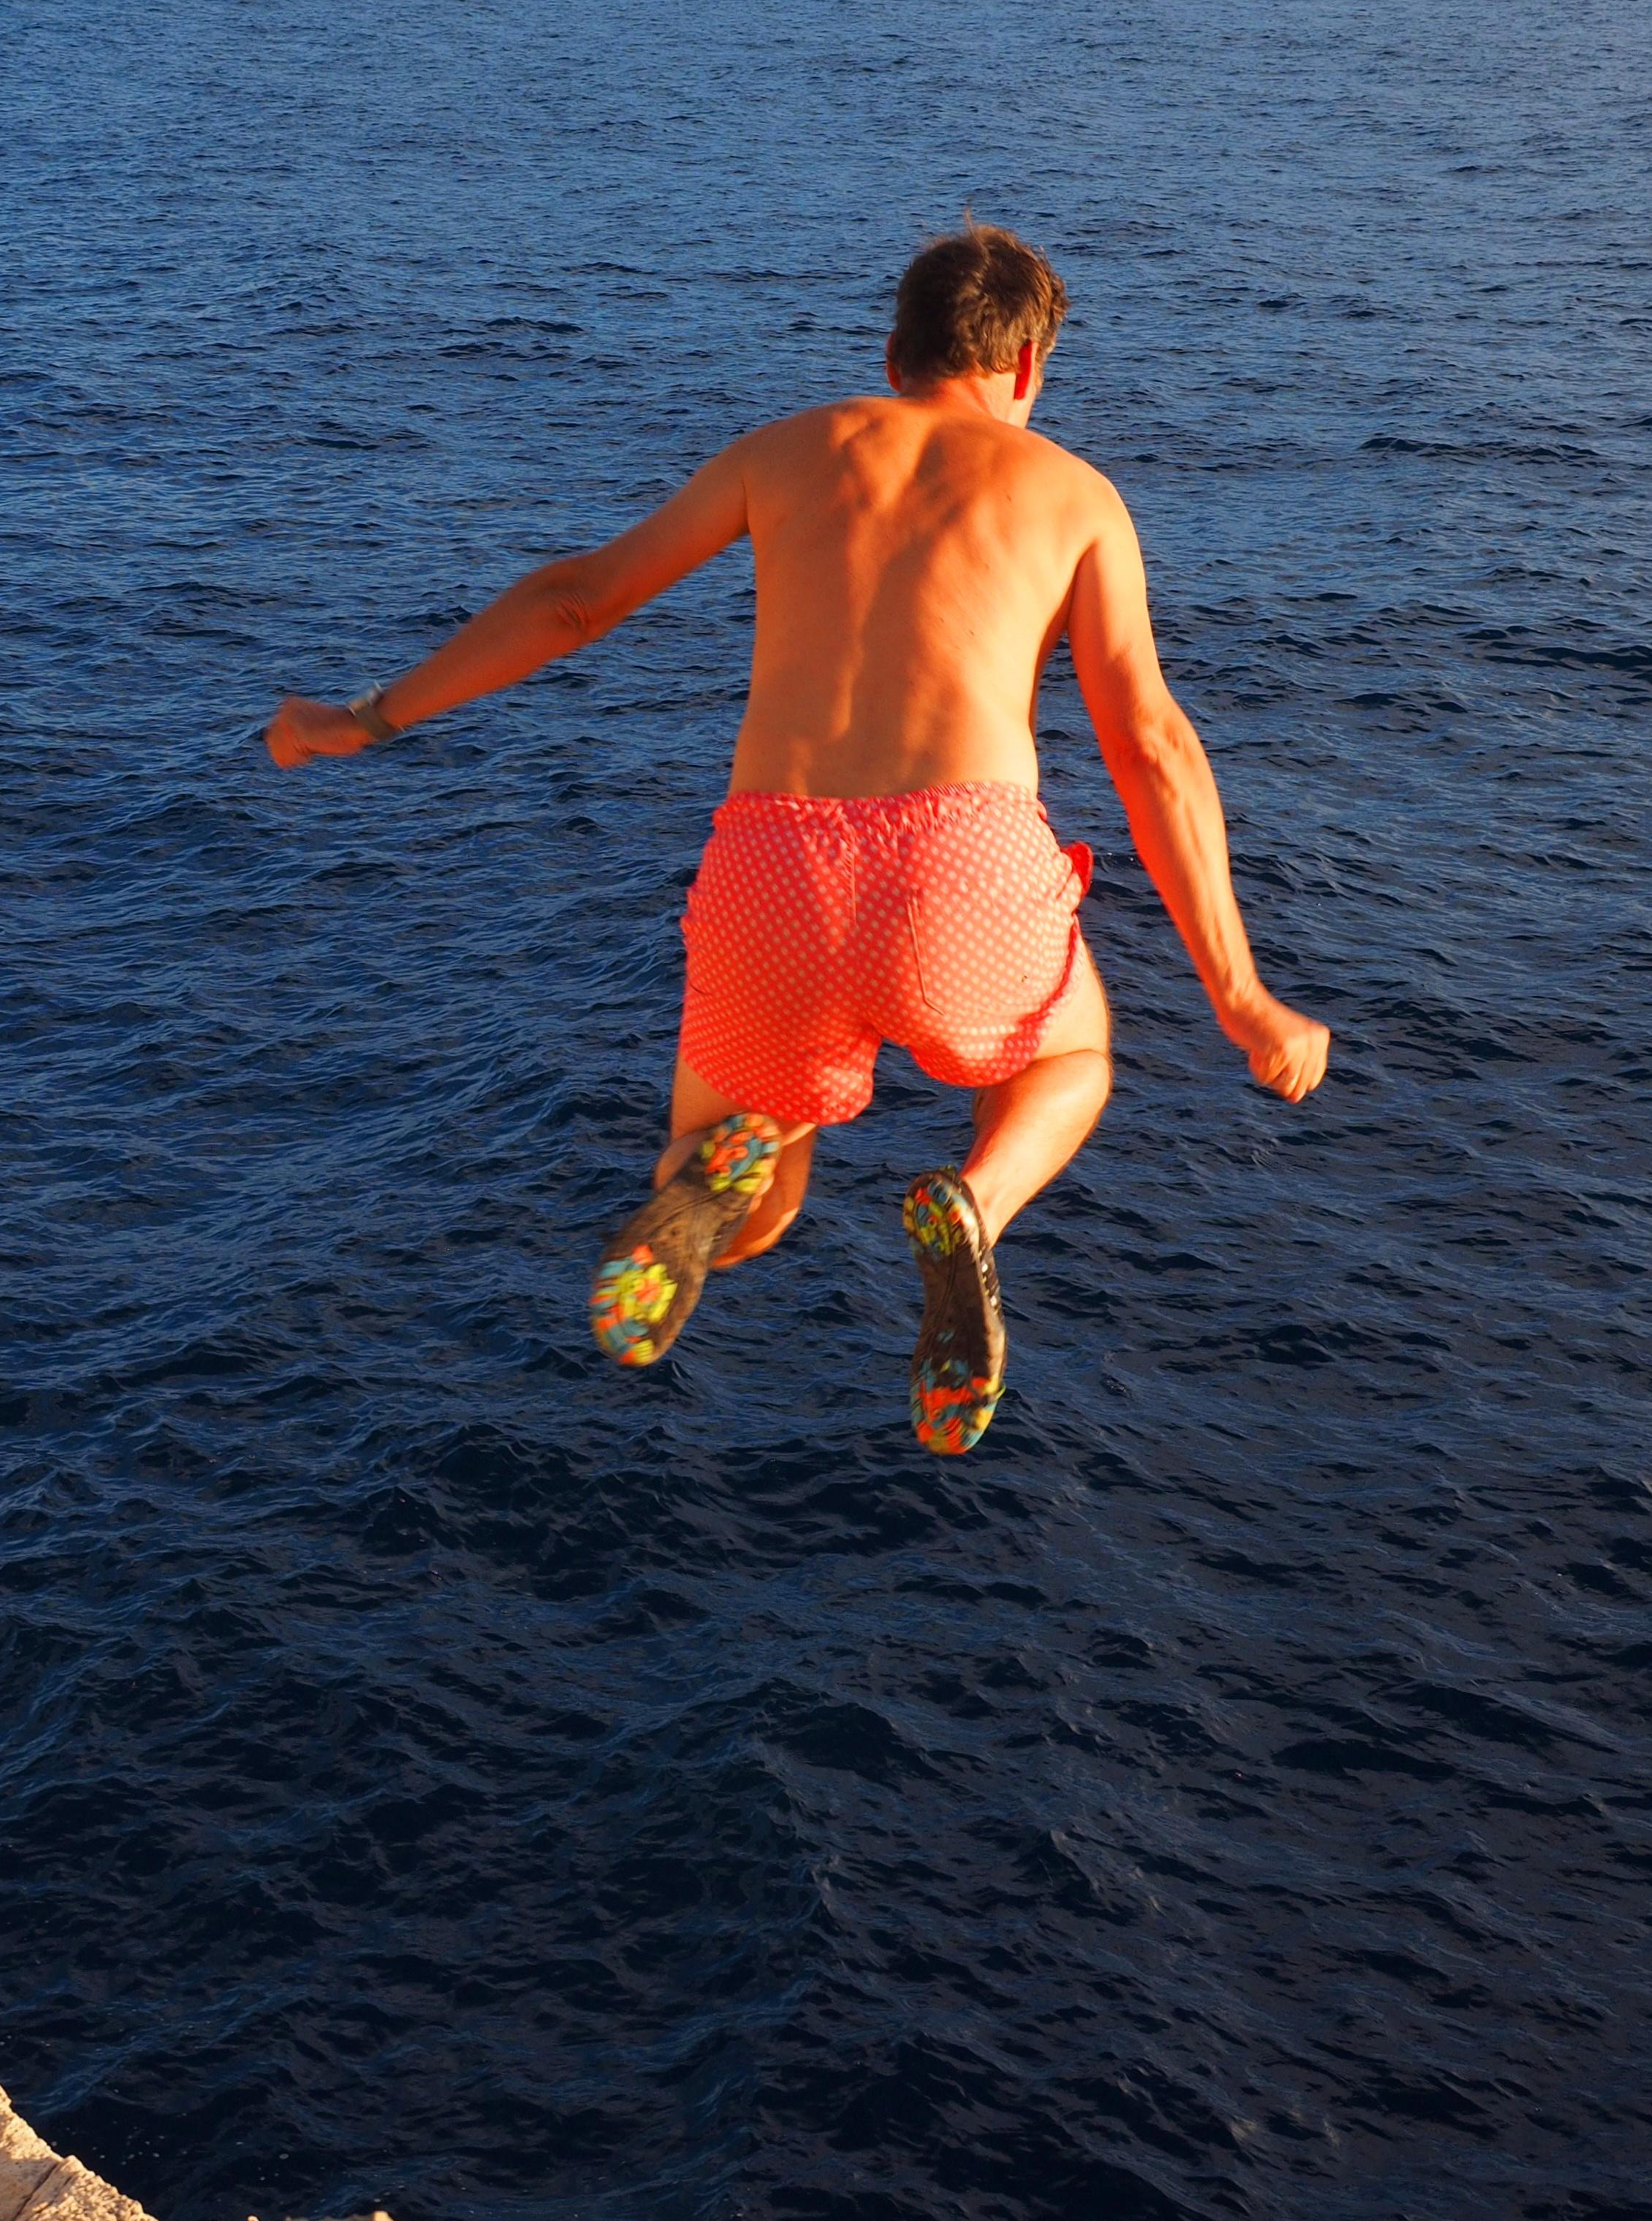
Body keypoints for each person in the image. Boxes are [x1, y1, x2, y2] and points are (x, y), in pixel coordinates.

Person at [265, 224, 1329, 1453]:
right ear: (1028, 365)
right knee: (1070, 1060)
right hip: (959, 869)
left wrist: (369, 715)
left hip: (776, 867)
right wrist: (1242, 996)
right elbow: (1148, 743)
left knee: (751, 1208)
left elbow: (573, 600)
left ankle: (720, 1175)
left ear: (892, 354)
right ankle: (974, 1210)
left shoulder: (784, 453)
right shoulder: (1075, 498)